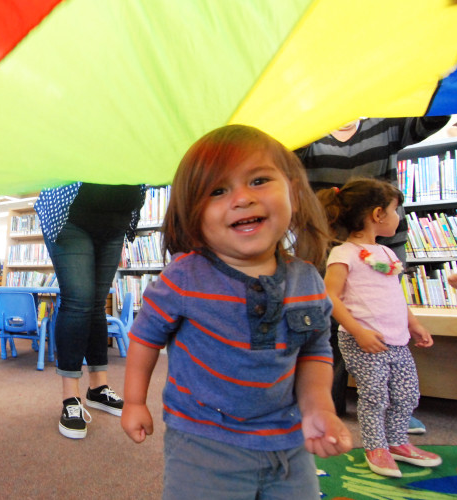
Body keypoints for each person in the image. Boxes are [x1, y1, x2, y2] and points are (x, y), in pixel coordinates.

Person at [122, 124, 351, 498]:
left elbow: (313, 350)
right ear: (192, 213)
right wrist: (134, 400)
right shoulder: (184, 277)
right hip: (203, 442)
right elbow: (145, 335)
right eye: (218, 191)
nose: (242, 199)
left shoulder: (307, 280)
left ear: (292, 189)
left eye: (259, 180)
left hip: (289, 441)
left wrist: (319, 408)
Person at [295, 116, 448, 427]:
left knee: (386, 313)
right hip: (329, 245)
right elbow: (287, 155)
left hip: (384, 246)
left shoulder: (386, 125)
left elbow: (431, 117)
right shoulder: (310, 135)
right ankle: (327, 403)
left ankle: (396, 410)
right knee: (328, 324)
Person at [317, 178, 440, 477]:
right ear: (377, 215)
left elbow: (395, 296)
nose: (399, 217)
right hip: (362, 341)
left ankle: (397, 442)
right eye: (395, 210)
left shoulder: (386, 254)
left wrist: (414, 324)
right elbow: (329, 295)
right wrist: (358, 331)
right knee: (375, 397)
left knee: (407, 394)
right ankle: (376, 447)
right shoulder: (344, 253)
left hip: (396, 340)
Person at [35, 182, 146, 439]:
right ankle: (70, 398)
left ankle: (98, 388)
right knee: (78, 300)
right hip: (71, 213)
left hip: (115, 218)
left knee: (96, 303)